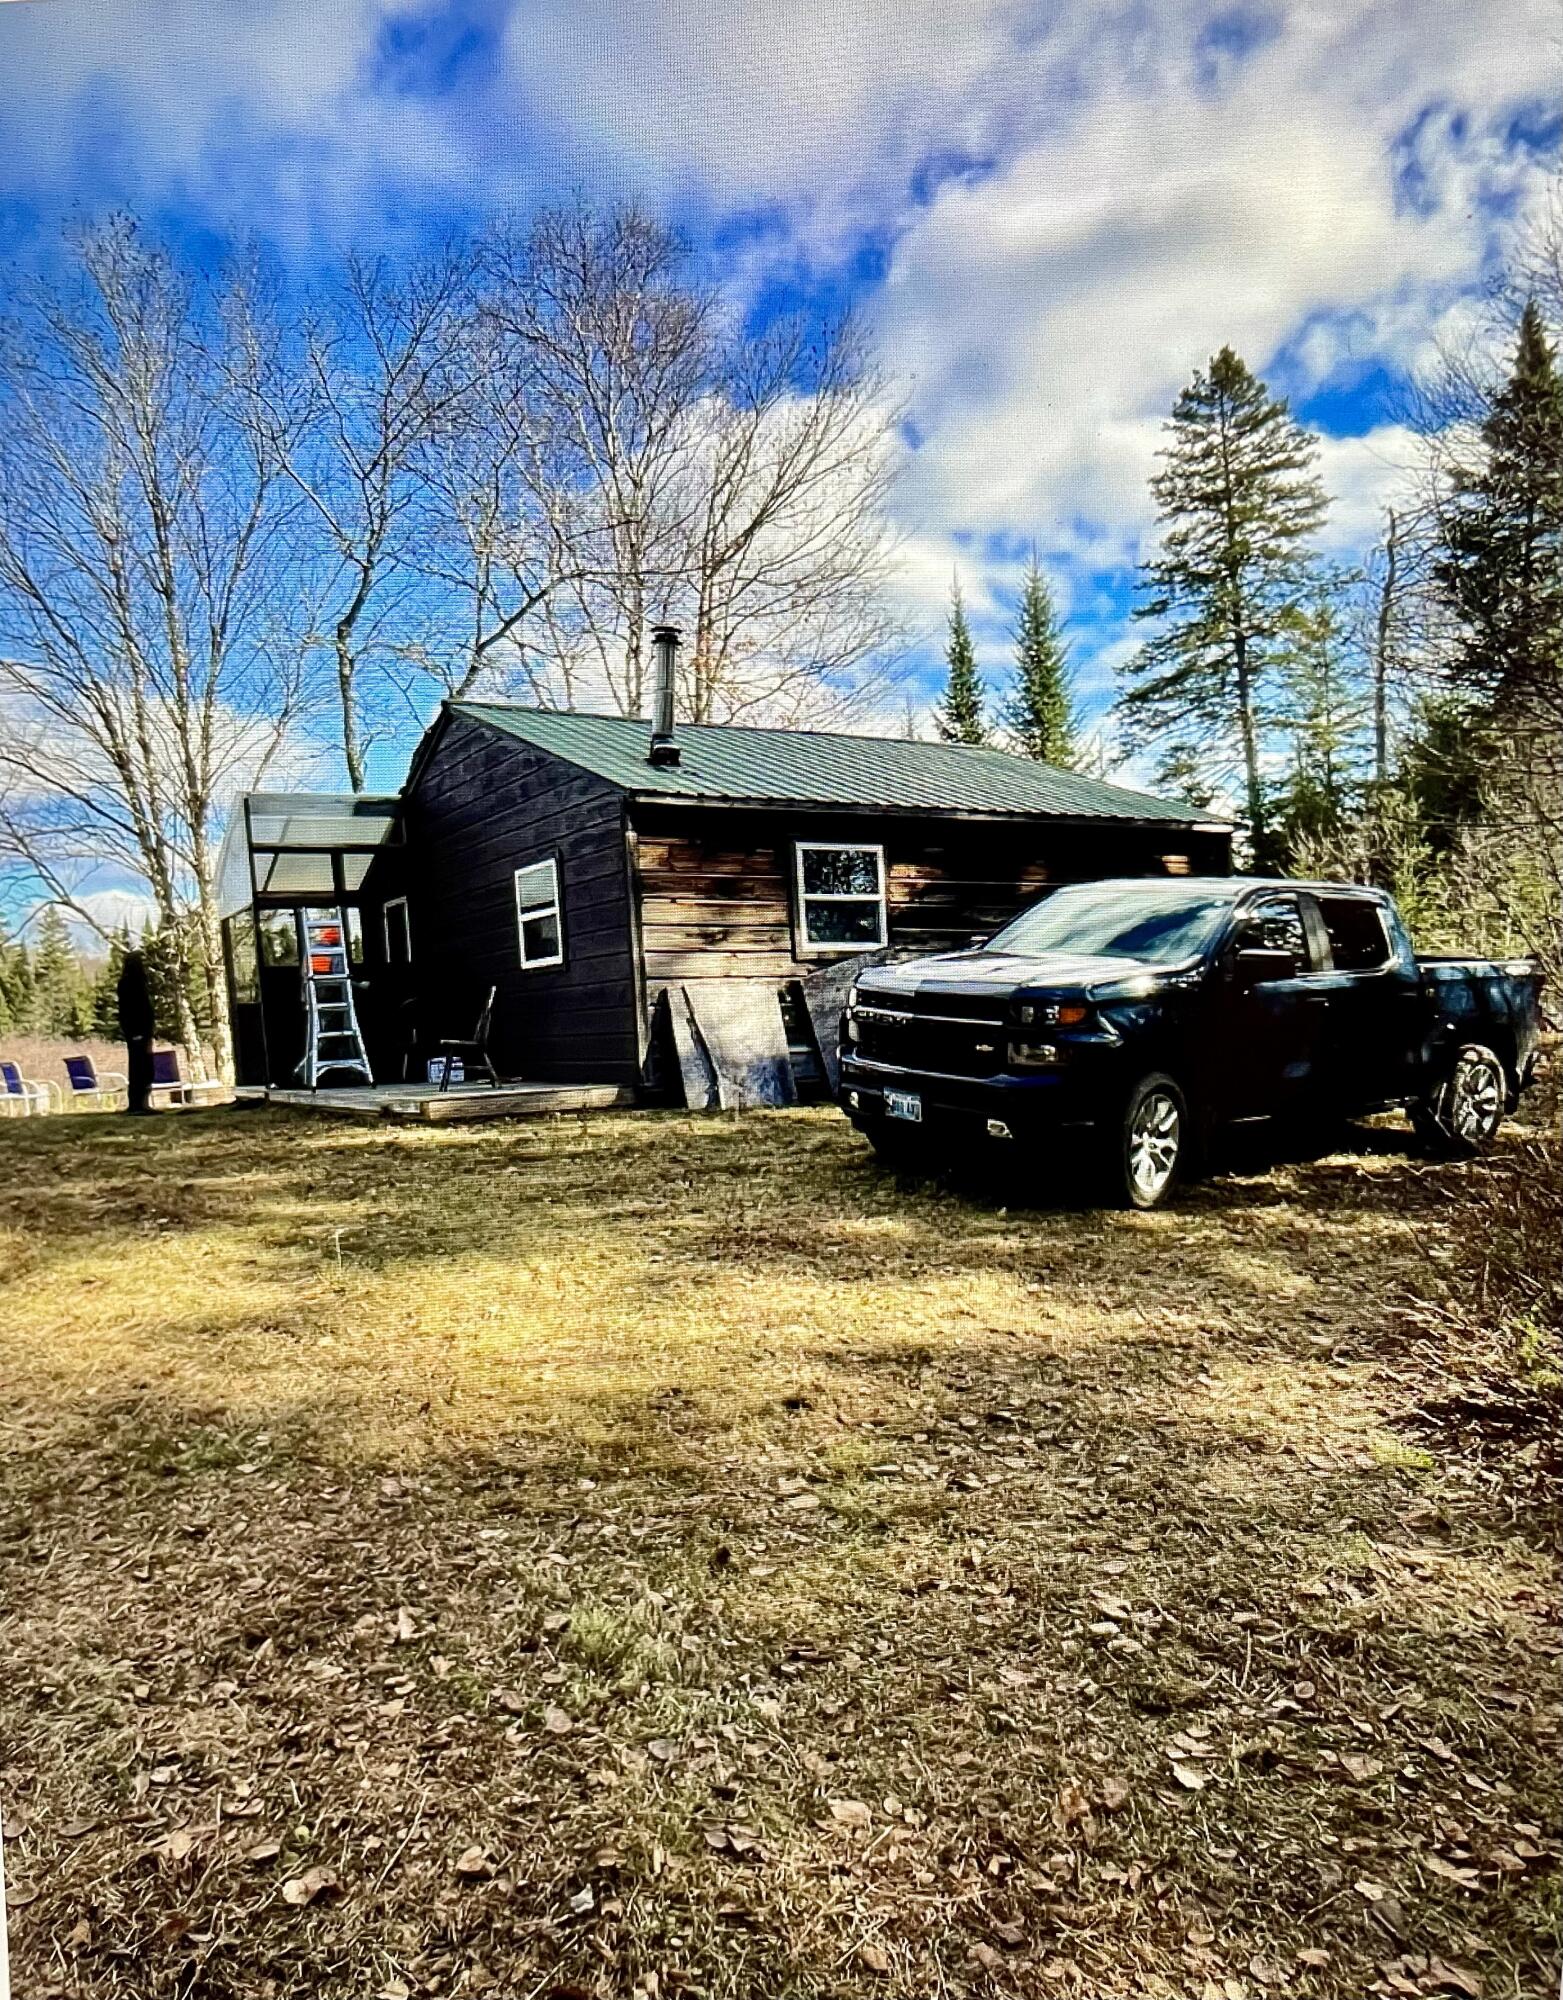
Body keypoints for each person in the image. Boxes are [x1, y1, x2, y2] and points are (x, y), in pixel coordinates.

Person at [116, 950, 156, 1115]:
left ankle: (143, 1102)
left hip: (143, 1030)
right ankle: (137, 1104)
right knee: (138, 1067)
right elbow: (130, 1010)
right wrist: (135, 1031)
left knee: (145, 1067)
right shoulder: (128, 983)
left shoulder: (140, 982)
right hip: (137, 1031)